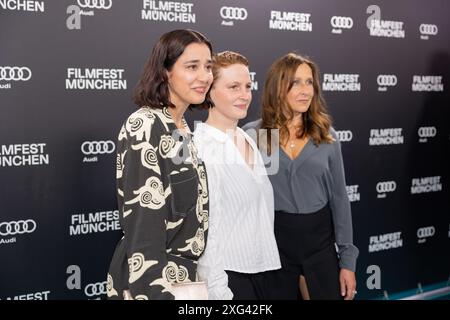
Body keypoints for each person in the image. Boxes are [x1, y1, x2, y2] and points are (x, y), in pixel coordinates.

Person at [106, 29, 213, 300]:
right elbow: (144, 232)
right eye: (192, 67)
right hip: (152, 285)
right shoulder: (143, 125)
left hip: (185, 282)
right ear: (165, 71)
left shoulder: (182, 128)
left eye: (208, 67)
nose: (204, 76)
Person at [243, 53, 359, 300]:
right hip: (275, 246)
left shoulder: (326, 136)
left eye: (310, 82)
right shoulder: (257, 135)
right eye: (296, 82)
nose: (306, 90)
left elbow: (340, 199)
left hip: (320, 244)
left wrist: (347, 261)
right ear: (277, 87)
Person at [193, 51, 281, 300]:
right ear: (209, 91)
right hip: (229, 282)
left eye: (247, 86)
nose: (244, 95)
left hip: (264, 271)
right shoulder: (202, 146)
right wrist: (220, 292)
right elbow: (207, 231)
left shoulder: (246, 138)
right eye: (233, 87)